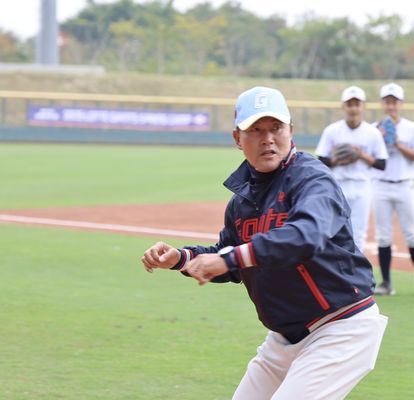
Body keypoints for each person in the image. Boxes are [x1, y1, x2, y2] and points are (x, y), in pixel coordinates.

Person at [140, 86, 388, 400]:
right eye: (255, 130)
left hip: (341, 327)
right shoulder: (242, 200)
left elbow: (304, 235)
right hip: (284, 338)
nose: (267, 138)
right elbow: (229, 256)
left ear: (290, 131)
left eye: (275, 128)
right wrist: (181, 258)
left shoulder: (313, 180)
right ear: (237, 139)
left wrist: (229, 259)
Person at [372, 83, 414, 296]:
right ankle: (386, 283)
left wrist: (398, 143)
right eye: (387, 101)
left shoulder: (411, 128)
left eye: (394, 101)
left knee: (412, 234)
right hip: (381, 185)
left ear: (401, 103)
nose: (391, 105)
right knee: (383, 236)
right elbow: (372, 157)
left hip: (405, 185)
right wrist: (378, 137)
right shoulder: (374, 127)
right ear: (382, 104)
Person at [315, 86, 388, 251]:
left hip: (362, 186)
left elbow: (382, 164)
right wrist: (337, 161)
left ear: (363, 106)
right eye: (349, 104)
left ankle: (355, 272)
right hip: (337, 185)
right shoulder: (332, 130)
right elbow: (321, 160)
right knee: (332, 229)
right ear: (343, 106)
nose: (353, 108)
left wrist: (361, 154)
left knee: (359, 232)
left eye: (357, 104)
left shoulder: (372, 133)